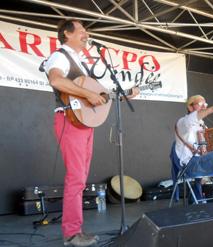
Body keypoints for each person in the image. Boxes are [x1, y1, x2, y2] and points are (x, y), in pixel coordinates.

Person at [45, 19, 139, 246]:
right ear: (67, 33)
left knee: (80, 179)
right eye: (82, 31)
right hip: (70, 121)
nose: (87, 34)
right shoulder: (60, 56)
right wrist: (88, 95)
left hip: (84, 124)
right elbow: (56, 80)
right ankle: (71, 233)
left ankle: (76, 230)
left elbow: (98, 96)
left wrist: (125, 92)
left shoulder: (81, 62)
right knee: (76, 178)